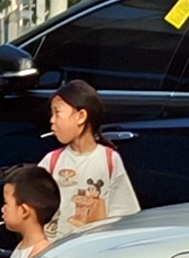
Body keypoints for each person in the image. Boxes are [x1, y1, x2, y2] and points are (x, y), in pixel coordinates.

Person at [44, 78, 140, 238]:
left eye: (57, 112)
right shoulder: (51, 161)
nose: (52, 120)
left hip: (92, 250)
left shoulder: (109, 160)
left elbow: (124, 212)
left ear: (80, 116)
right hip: (56, 252)